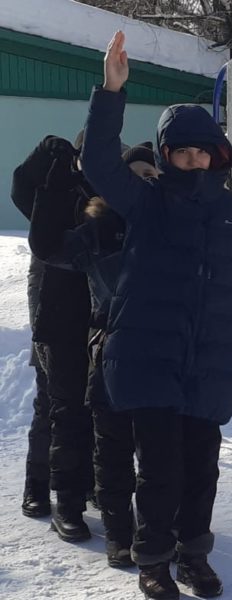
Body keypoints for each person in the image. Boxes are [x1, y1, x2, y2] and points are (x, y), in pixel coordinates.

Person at [82, 30, 232, 599]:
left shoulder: (231, 212)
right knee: (159, 472)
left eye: (201, 151)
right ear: (166, 157)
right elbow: (99, 164)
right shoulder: (148, 200)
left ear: (217, 155)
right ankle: (153, 561)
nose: (193, 160)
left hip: (207, 364)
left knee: (201, 474)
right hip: (150, 360)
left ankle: (194, 556)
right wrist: (111, 92)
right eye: (181, 152)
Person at [30, 143, 159, 568]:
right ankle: (64, 503)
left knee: (116, 431)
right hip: (67, 323)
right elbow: (46, 245)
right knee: (68, 414)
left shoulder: (151, 213)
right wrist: (53, 180)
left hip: (113, 334)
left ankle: (111, 505)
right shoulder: (84, 203)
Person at [11, 135, 94, 541]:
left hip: (95, 306)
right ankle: (37, 486)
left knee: (93, 398)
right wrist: (43, 152)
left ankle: (87, 482)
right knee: (53, 399)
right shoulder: (57, 182)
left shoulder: (111, 188)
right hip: (50, 303)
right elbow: (20, 188)